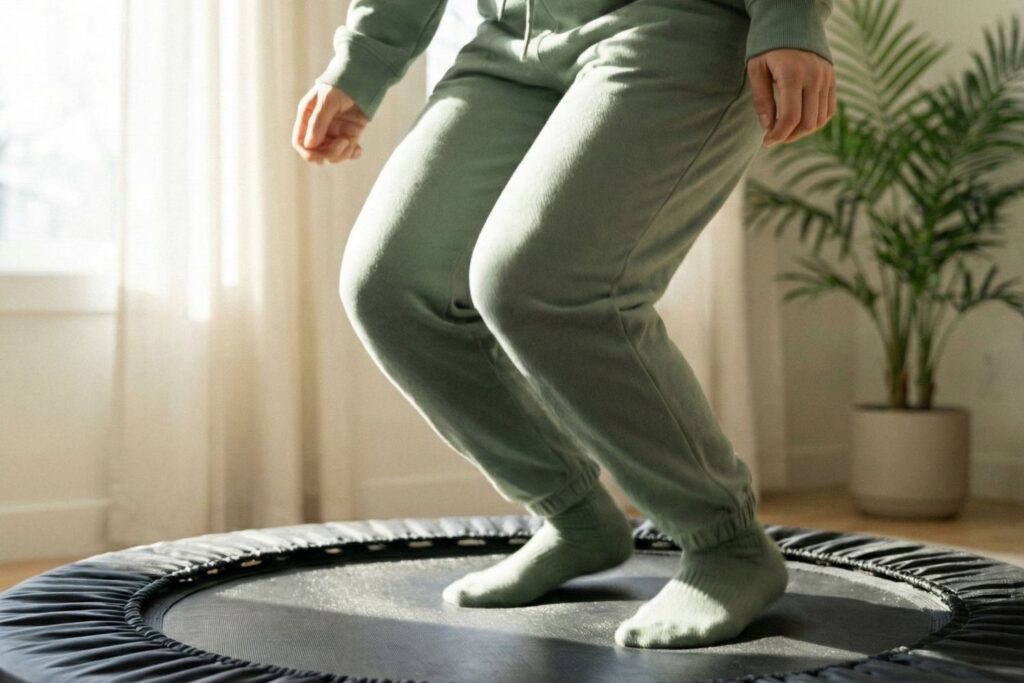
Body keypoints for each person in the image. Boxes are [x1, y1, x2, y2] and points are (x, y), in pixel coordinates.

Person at [291, 0, 835, 650]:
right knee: (391, 285)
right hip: (508, 36)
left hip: (677, 23)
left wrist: (791, 15)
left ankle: (725, 542)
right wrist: (362, 61)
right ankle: (574, 513)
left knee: (538, 281)